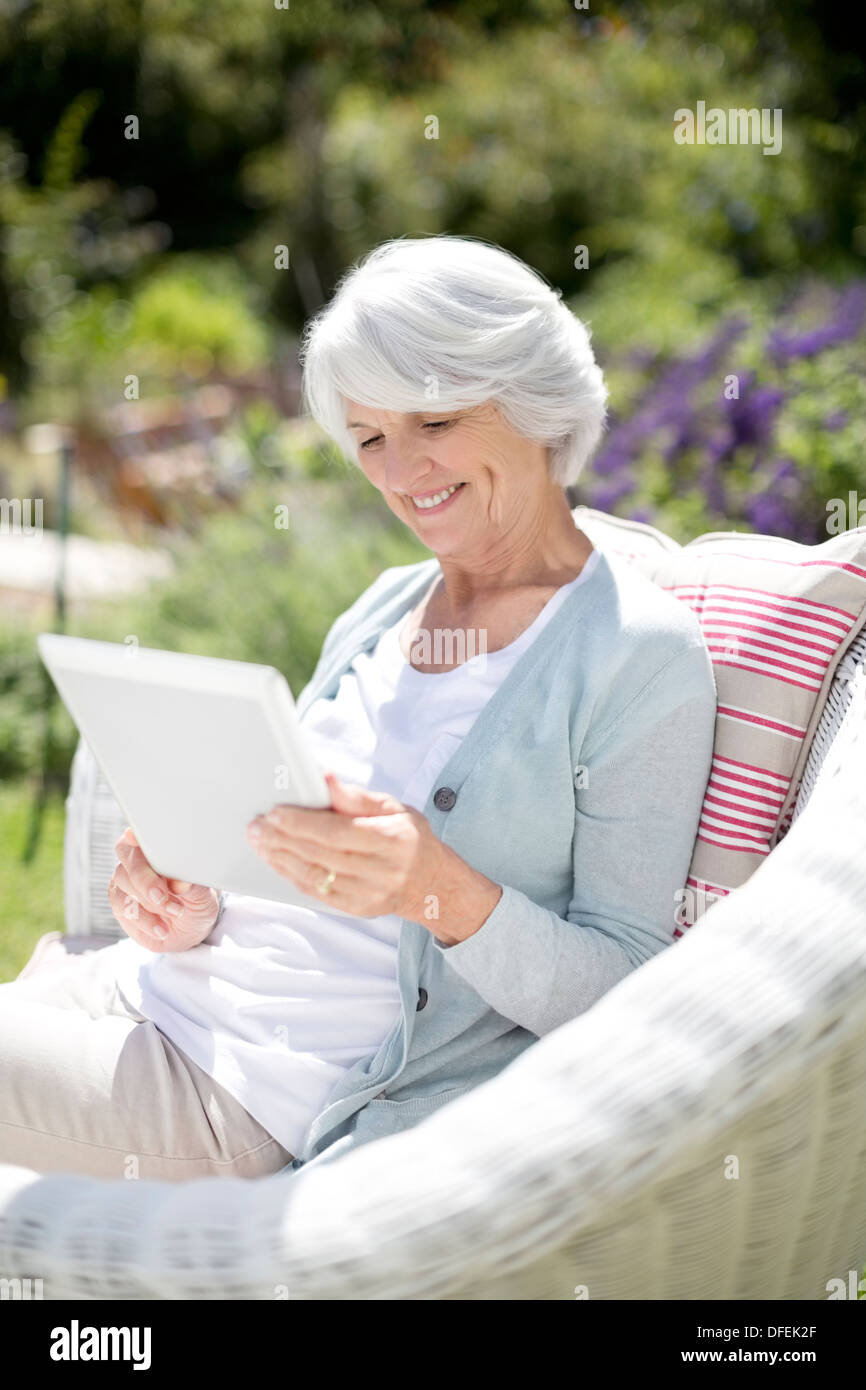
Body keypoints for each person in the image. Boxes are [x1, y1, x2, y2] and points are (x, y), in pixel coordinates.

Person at [0, 234, 717, 1181]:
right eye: (372, 437)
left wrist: (437, 888)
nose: (402, 470)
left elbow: (629, 994)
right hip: (139, 995)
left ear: (532, 400)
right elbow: (297, 875)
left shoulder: (637, 655)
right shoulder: (385, 603)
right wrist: (197, 904)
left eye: (433, 419)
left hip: (248, 1095)